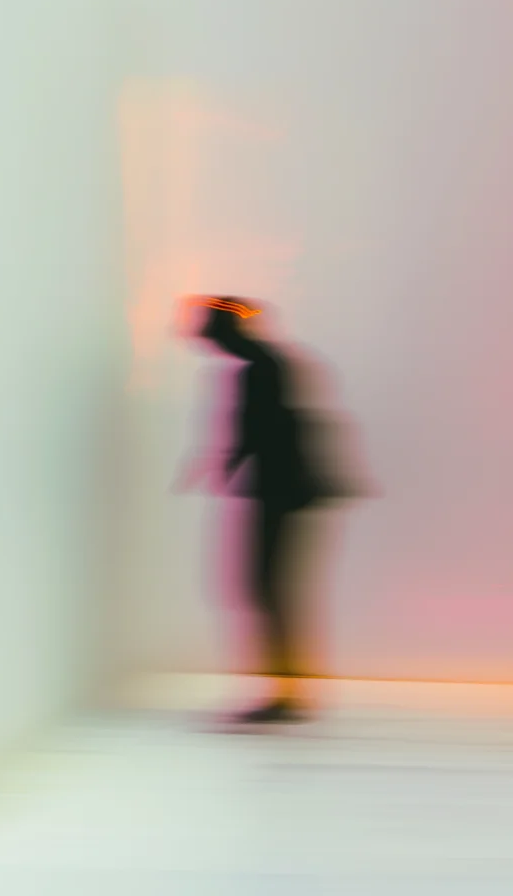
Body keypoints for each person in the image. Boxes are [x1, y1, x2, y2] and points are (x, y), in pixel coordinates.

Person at [172, 295, 332, 723]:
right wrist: (223, 463)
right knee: (270, 591)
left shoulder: (261, 369)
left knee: (267, 590)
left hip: (280, 493)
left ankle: (284, 695)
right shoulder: (267, 365)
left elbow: (262, 429)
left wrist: (224, 463)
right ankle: (285, 691)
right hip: (283, 492)